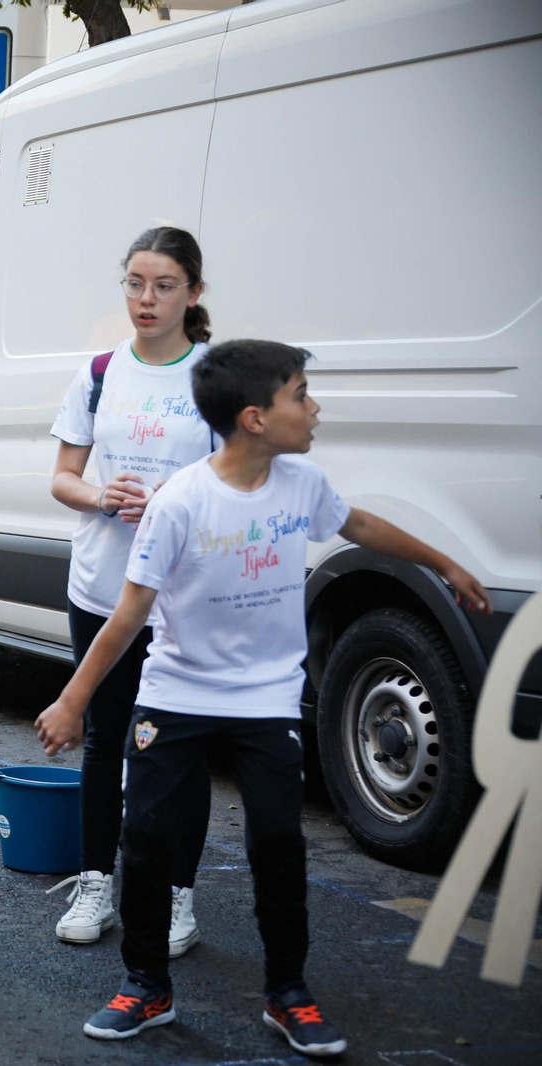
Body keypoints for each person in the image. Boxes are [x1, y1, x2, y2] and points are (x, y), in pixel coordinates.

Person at [35, 340, 492, 1057]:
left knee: (278, 844)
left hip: (265, 702)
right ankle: (146, 985)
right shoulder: (180, 502)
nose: (313, 409)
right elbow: (127, 616)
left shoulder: (302, 484)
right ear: (254, 418)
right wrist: (73, 701)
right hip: (176, 695)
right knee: (147, 841)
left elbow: (360, 525)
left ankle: (288, 994)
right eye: (300, 395)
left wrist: (444, 562)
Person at [46, 227, 216, 954]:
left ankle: (178, 895)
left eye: (164, 286)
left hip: (183, 596)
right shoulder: (98, 373)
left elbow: (240, 483)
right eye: (136, 284)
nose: (146, 300)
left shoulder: (217, 377)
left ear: (193, 294)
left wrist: (175, 500)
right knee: (103, 739)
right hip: (101, 587)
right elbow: (61, 476)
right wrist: (97, 496)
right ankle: (96, 883)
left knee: (180, 747)